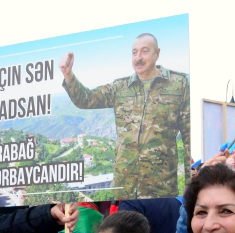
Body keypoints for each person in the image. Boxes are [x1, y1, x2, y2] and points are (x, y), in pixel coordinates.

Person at [59, 33, 190, 198]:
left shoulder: (179, 85)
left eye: (144, 51)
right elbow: (86, 100)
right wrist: (68, 75)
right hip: (124, 190)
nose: (138, 58)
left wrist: (190, 187)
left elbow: (188, 137)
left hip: (161, 191)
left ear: (157, 53)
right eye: (134, 52)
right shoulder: (120, 87)